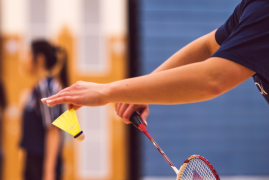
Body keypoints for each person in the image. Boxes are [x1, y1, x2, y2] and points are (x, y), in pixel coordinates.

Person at [42, 0, 269, 124]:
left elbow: (212, 79)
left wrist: (107, 91)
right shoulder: (253, 6)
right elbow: (208, 46)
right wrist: (139, 91)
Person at [19, 40, 68, 180]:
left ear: (39, 59)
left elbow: (54, 131)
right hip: (33, 159)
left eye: (27, 55)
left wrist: (49, 171)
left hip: (43, 161)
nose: (24, 60)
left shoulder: (48, 87)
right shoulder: (37, 88)